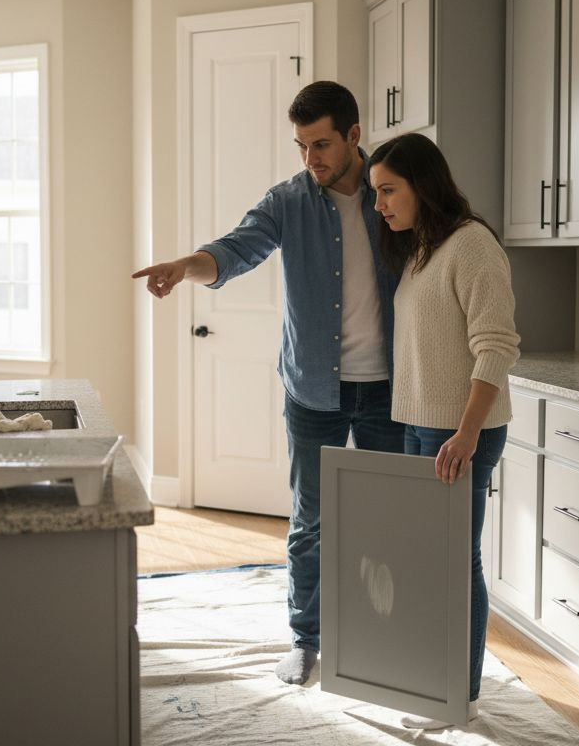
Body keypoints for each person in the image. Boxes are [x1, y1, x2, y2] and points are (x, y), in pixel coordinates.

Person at [132, 81, 405, 686]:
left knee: (388, 518)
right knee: (311, 520)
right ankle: (307, 641)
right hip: (313, 390)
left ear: (355, 136)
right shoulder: (289, 201)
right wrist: (185, 268)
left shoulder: (392, 192)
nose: (312, 159)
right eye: (303, 146)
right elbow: (236, 249)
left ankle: (383, 640)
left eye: (323, 144)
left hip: (389, 388)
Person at [367, 132, 521, 729]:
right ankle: (429, 679)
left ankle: (458, 696)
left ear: (422, 185)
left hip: (456, 433)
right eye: (376, 191)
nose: (379, 204)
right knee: (429, 559)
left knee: (455, 561)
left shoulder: (472, 245)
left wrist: (465, 434)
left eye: (388, 190)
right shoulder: (424, 249)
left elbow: (497, 346)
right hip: (419, 426)